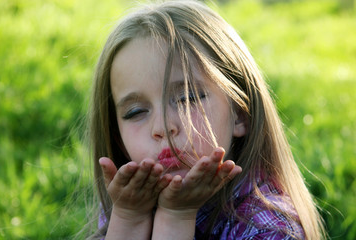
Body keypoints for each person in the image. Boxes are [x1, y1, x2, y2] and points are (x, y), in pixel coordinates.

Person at [85, 0, 325, 239]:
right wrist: (129, 221)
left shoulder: (268, 230)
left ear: (240, 113)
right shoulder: (130, 203)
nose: (162, 128)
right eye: (135, 112)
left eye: (188, 98)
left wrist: (175, 218)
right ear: (117, 136)